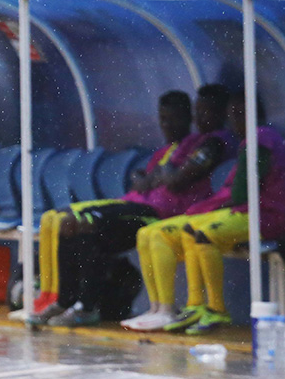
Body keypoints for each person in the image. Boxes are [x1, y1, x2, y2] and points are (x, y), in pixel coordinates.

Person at [31, 86, 236, 327]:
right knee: (72, 225)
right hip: (141, 205)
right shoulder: (188, 142)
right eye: (198, 111)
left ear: (222, 114)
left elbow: (177, 179)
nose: (199, 118)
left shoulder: (215, 142)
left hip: (160, 212)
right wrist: (160, 174)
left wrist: (162, 175)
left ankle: (89, 307)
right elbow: (154, 176)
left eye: (206, 112)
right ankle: (66, 301)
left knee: (87, 226)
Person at [133, 91, 285, 334]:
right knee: (174, 231)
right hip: (248, 212)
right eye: (232, 116)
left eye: (237, 115)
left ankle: (215, 309)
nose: (234, 122)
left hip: (265, 216)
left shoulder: (261, 138)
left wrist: (211, 208)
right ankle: (189, 306)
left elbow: (242, 193)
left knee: (201, 233)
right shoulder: (252, 139)